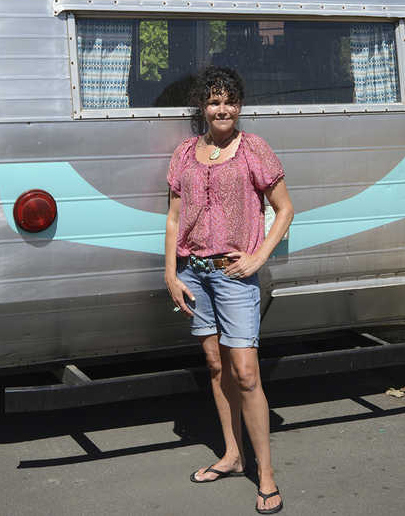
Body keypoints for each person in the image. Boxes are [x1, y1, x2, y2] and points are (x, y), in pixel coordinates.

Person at [165, 66, 294, 515]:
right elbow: (173, 218)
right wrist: (170, 273)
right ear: (202, 107)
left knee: (246, 373)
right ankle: (233, 455)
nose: (223, 109)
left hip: (235, 275)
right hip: (195, 273)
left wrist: (258, 259)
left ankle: (266, 474)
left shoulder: (253, 149)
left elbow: (284, 209)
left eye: (230, 102)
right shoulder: (184, 153)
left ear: (239, 106)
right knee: (216, 365)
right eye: (215, 101)